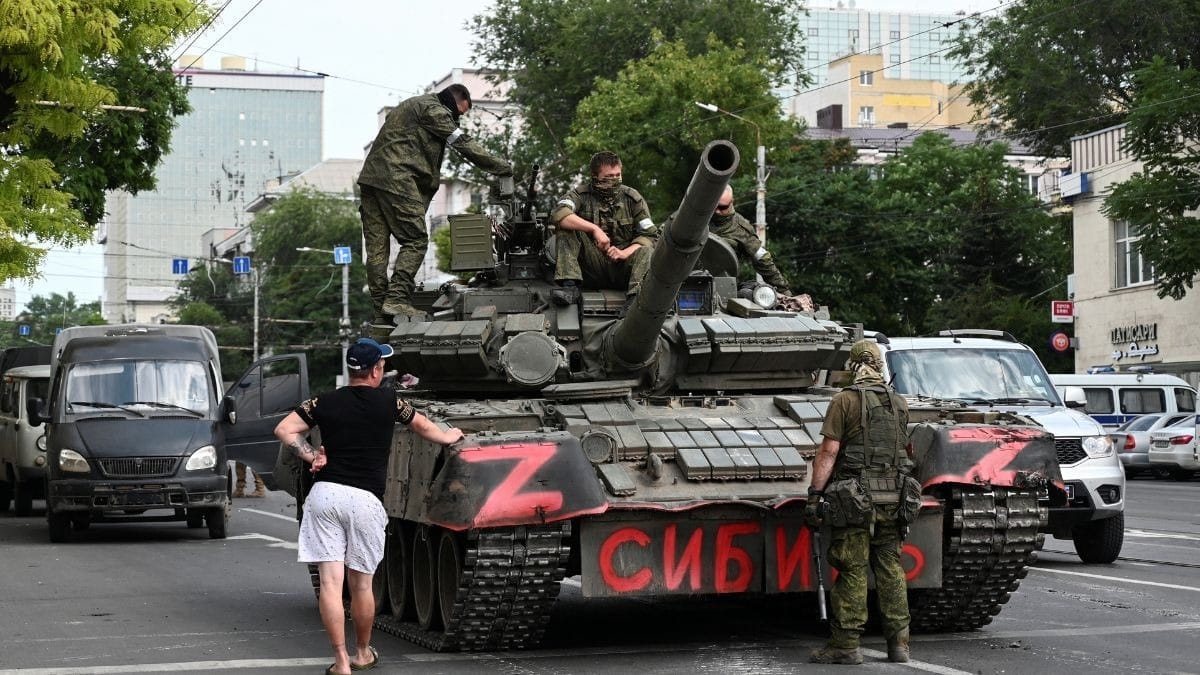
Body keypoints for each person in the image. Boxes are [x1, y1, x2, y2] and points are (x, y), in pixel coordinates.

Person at [273, 337, 464, 675]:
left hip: (326, 495)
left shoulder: (324, 402)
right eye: (383, 366)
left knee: (331, 585)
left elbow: (285, 429)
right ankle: (363, 652)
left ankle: (341, 661)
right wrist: (449, 437)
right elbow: (422, 426)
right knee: (361, 585)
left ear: (351, 370)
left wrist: (310, 454)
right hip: (365, 501)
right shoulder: (390, 402)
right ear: (376, 369)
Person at [357, 84, 513, 328]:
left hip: (371, 180)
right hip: (398, 176)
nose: (458, 118)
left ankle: (381, 311)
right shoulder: (434, 110)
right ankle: (396, 299)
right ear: (456, 99)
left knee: (377, 250)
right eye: (460, 113)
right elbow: (461, 142)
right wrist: (500, 166)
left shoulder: (412, 105)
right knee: (416, 240)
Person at [805, 339, 917, 665]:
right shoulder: (898, 402)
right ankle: (899, 645)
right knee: (891, 569)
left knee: (852, 568)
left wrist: (815, 495)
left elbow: (829, 452)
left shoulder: (845, 401)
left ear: (852, 365)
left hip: (856, 500)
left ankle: (846, 645)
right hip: (894, 497)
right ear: (880, 364)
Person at [551, 151, 657, 308]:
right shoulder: (580, 195)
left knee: (646, 250)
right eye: (609, 176)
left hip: (625, 268)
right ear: (595, 176)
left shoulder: (632, 199)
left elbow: (649, 236)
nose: (614, 180)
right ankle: (570, 287)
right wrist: (594, 229)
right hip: (591, 267)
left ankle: (635, 301)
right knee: (566, 228)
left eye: (617, 175)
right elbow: (559, 214)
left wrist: (624, 253)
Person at [663, 185, 790, 294]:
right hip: (677, 281)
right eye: (715, 206)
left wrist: (783, 291)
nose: (717, 211)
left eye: (723, 207)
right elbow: (661, 239)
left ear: (732, 202)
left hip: (722, 287)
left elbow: (763, 259)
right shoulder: (689, 217)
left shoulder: (741, 229)